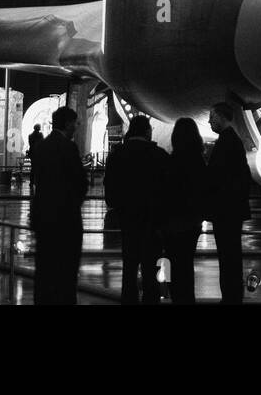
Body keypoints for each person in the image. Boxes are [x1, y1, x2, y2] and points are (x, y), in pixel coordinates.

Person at [103, 115, 169, 305]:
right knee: (151, 270)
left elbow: (110, 191)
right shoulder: (158, 155)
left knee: (129, 268)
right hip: (152, 221)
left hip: (127, 219)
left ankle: (129, 299)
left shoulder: (117, 155)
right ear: (147, 131)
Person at [29, 106, 87, 305]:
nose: (77, 128)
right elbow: (80, 183)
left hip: (43, 217)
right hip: (65, 220)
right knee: (66, 272)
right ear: (68, 123)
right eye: (76, 123)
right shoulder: (68, 148)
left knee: (44, 270)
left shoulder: (41, 147)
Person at [206, 103, 252, 304]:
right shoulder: (233, 141)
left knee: (227, 257)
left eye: (212, 117)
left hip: (225, 212)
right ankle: (233, 295)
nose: (209, 121)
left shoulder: (226, 142)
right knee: (231, 256)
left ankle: (230, 296)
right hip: (232, 210)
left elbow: (218, 177)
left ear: (221, 117)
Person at [164, 118, 208, 304]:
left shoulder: (171, 161)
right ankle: (187, 298)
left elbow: (164, 191)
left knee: (174, 263)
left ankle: (177, 297)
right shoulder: (198, 161)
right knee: (187, 263)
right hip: (192, 221)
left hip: (173, 221)